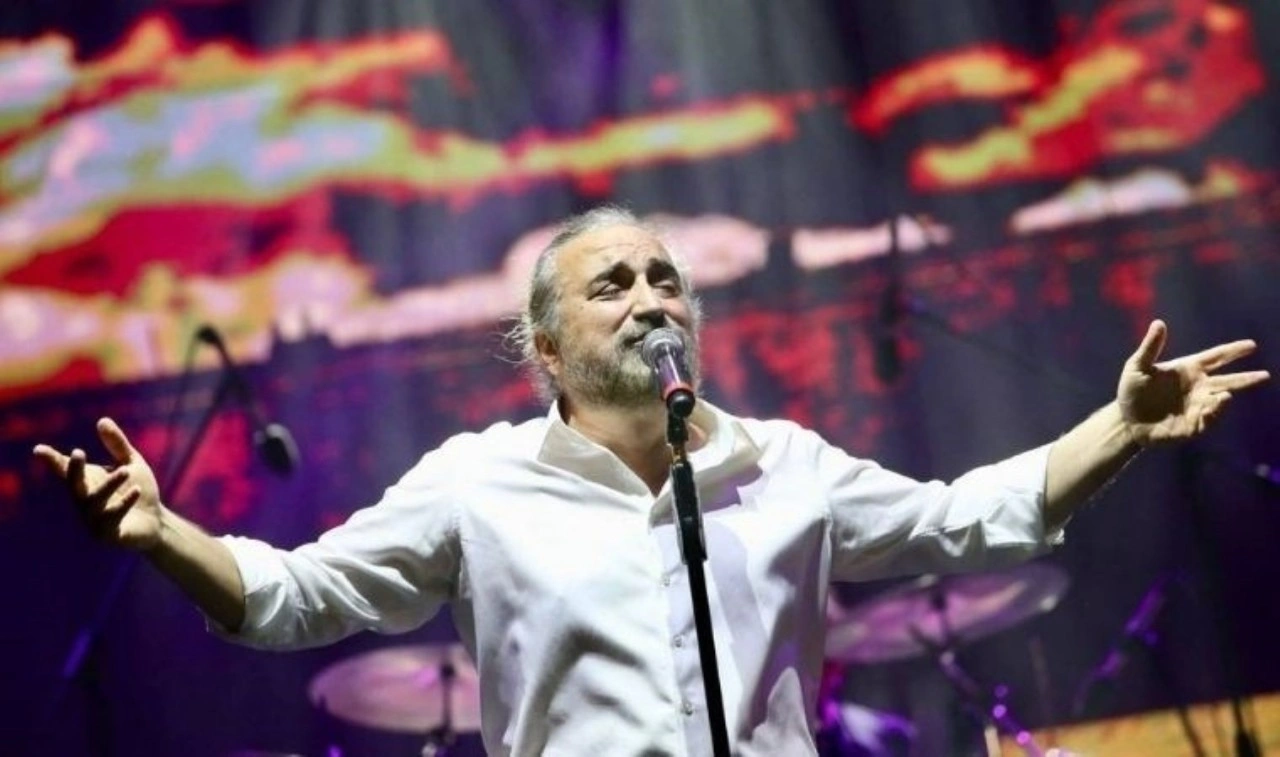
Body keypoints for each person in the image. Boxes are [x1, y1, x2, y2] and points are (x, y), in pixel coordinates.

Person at [34, 206, 1270, 756]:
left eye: (665, 279)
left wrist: (1117, 425)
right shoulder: (477, 483)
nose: (650, 299)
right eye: (612, 284)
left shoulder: (782, 463)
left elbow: (966, 519)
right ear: (545, 345)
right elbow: (294, 596)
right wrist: (162, 531)